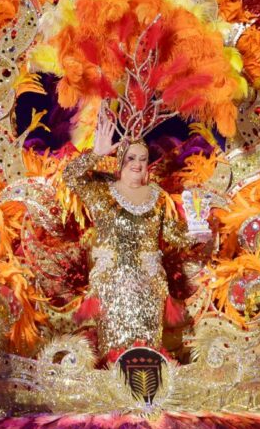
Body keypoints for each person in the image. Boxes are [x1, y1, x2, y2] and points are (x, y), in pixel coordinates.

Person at [63, 110, 207, 356]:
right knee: (116, 352)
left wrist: (198, 231)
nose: (138, 164)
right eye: (131, 158)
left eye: (143, 158)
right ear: (120, 161)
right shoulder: (101, 190)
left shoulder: (158, 196)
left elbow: (174, 236)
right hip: (113, 285)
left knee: (148, 352)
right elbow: (69, 177)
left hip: (150, 286)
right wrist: (96, 154)